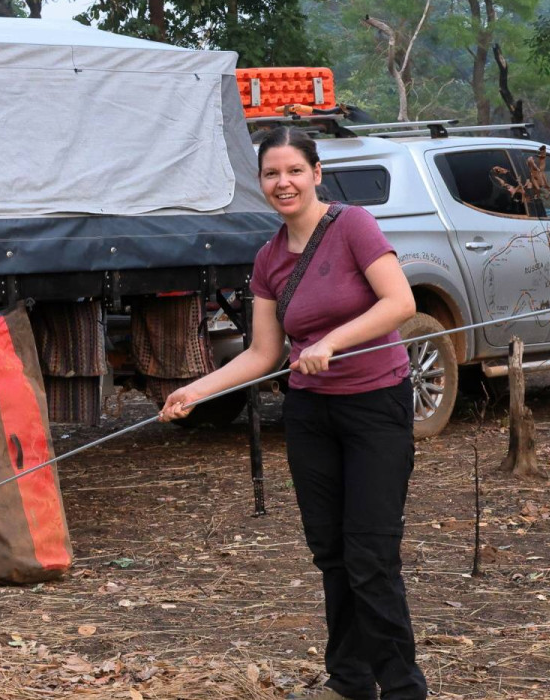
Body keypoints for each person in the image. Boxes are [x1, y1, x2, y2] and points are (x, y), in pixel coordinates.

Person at [159, 128, 426, 700]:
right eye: (272, 174)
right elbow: (262, 353)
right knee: (332, 553)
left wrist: (332, 341)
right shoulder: (268, 259)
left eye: (294, 171)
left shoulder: (353, 226)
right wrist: (195, 391)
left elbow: (400, 302)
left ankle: (404, 688)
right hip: (311, 415)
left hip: (375, 406)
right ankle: (350, 681)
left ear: (316, 173)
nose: (284, 183)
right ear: (260, 182)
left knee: (370, 556)